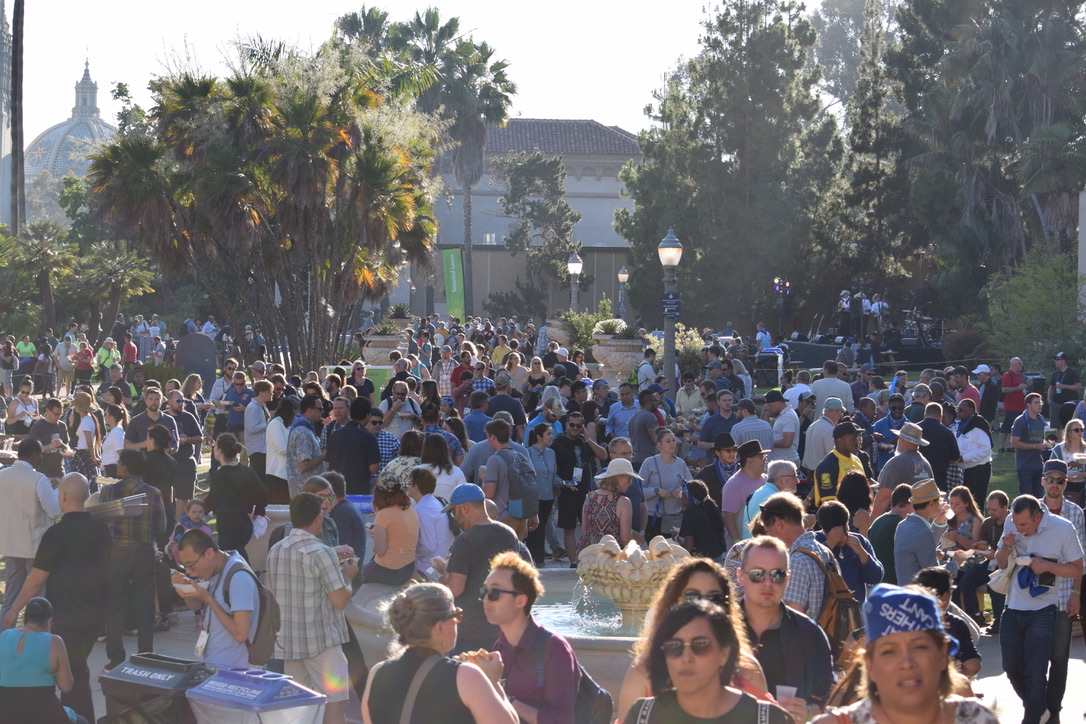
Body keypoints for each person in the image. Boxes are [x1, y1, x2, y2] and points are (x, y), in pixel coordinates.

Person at [0, 474, 108, 722]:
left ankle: (79, 719)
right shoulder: (102, 530)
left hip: (67, 616)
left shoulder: (56, 533)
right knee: (75, 671)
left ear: (64, 496)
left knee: (75, 678)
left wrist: (13, 609)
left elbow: (36, 578)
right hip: (95, 615)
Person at [813, 584, 997, 724]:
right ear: (870, 664)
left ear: (942, 654)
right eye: (889, 652)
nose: (906, 662)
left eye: (919, 647)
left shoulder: (976, 718)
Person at [617, 557, 770, 721]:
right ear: (673, 602)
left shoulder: (748, 670)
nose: (703, 606)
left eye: (714, 599)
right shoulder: (644, 671)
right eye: (692, 597)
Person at [362, 582, 518, 724]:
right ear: (440, 628)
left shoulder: (377, 673)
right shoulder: (466, 675)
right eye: (456, 615)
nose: (458, 622)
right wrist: (493, 681)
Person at [267, 492, 358, 724]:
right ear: (318, 518)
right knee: (337, 703)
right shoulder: (321, 552)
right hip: (321, 643)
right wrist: (349, 576)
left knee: (300, 708)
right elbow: (340, 600)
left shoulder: (276, 549)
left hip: (289, 641)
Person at [624, 599, 791, 723]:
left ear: (724, 654)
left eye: (701, 645)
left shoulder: (768, 719)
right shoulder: (642, 716)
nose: (686, 657)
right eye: (674, 646)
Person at [469, 551, 582, 723]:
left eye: (494, 592)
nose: (486, 599)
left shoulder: (554, 648)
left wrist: (496, 687)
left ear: (520, 601)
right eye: (484, 591)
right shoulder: (499, 647)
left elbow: (562, 720)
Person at [739, 536, 835, 721]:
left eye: (777, 574)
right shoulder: (719, 628)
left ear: (788, 579)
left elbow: (829, 693)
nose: (767, 582)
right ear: (741, 577)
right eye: (757, 574)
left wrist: (810, 712)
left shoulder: (808, 632)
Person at [433, 484, 524, 654]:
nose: (453, 517)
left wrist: (444, 573)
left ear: (465, 508)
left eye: (454, 512)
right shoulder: (509, 533)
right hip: (502, 626)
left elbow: (455, 589)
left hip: (470, 630)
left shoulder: (464, 541)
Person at [101, 449, 166, 671]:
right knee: (145, 604)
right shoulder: (153, 493)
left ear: (125, 467)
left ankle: (115, 657)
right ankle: (145, 655)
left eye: (119, 463)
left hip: (115, 552)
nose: (117, 466)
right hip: (144, 551)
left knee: (114, 604)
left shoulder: (109, 491)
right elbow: (161, 527)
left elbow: (101, 523)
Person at [171, 529, 261, 668]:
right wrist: (184, 589)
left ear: (209, 553)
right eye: (184, 566)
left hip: (231, 666)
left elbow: (240, 634)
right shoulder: (214, 568)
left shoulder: (239, 578)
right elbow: (196, 606)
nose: (188, 571)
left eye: (191, 564)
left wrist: (208, 599)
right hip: (210, 660)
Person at [0, 439, 60, 626]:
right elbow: (54, 510)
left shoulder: (3, 476)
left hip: (10, 544)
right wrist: (56, 490)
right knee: (37, 597)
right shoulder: (38, 479)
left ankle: (3, 636)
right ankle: (36, 637)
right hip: (35, 546)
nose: (41, 458)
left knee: (11, 596)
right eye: (41, 454)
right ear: (34, 455)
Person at [0, 597, 86, 724]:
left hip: (6, 714)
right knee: (82, 721)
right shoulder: (55, 642)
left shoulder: (4, 636)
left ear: (24, 618)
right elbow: (66, 687)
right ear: (49, 621)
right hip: (43, 715)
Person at [759, 492, 838, 619]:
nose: (768, 536)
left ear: (779, 523)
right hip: (829, 635)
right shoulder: (825, 552)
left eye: (768, 530)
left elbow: (793, 618)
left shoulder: (797, 561)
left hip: (806, 637)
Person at [203, 433, 267, 559]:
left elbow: (212, 500)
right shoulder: (247, 470)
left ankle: (247, 578)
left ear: (220, 451)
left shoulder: (219, 475)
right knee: (239, 556)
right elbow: (263, 493)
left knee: (231, 559)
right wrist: (259, 511)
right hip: (245, 524)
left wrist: (200, 511)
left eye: (215, 446)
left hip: (228, 525)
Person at [814, 500, 883, 603]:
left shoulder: (859, 541)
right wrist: (829, 545)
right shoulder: (814, 541)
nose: (842, 536)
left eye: (844, 529)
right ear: (824, 530)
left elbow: (876, 577)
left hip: (854, 610)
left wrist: (861, 553)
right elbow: (811, 572)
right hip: (825, 612)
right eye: (836, 532)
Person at [362, 476, 420, 586]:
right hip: (408, 568)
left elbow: (380, 550)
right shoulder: (409, 508)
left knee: (352, 575)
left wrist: (376, 538)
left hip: (389, 571)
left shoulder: (384, 514)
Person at [894, 479, 951, 586]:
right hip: (919, 595)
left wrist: (938, 523)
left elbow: (921, 547)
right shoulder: (923, 531)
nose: (940, 505)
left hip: (905, 590)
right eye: (938, 501)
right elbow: (934, 575)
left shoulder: (902, 525)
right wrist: (956, 563)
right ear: (931, 503)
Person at [642, 428, 694, 540]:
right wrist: (656, 491)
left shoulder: (681, 463)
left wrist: (681, 489)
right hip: (653, 517)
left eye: (674, 440)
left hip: (675, 516)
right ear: (659, 444)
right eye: (668, 441)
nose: (672, 444)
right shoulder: (649, 462)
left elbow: (691, 486)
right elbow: (640, 490)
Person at [579, 458, 636, 551]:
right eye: (629, 478)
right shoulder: (623, 502)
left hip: (587, 555)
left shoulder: (589, 497)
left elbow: (583, 531)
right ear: (619, 478)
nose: (631, 482)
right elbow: (625, 539)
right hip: (610, 558)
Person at [868, 483, 914, 585]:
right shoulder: (902, 525)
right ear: (911, 505)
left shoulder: (877, 521)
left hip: (877, 583)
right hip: (895, 583)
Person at [812, 421, 865, 508]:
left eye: (857, 438)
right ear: (839, 440)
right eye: (853, 438)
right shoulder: (827, 466)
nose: (857, 442)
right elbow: (829, 503)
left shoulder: (857, 460)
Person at [287, 393, 327, 496]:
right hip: (306, 493)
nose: (322, 412)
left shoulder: (304, 428)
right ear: (309, 410)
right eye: (320, 409)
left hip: (307, 491)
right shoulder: (303, 433)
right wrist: (324, 455)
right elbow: (304, 465)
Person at [679, 480, 726, 560]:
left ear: (689, 498)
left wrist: (676, 538)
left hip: (702, 563)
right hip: (718, 560)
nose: (680, 496)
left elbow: (688, 548)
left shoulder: (690, 513)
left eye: (683, 494)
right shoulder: (710, 509)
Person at [265, 396, 295, 505]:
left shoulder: (285, 426)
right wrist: (299, 451)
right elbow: (282, 449)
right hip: (276, 475)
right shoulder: (275, 424)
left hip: (286, 476)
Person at [695, 432, 739, 507]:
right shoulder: (706, 474)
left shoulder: (742, 470)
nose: (732, 453)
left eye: (734, 450)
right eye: (728, 450)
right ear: (717, 452)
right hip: (717, 515)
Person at [999, 357, 1030, 452]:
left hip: (1020, 407)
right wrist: (1018, 388)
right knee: (1006, 427)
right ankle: (1001, 447)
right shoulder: (1007, 376)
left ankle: (1010, 446)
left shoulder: (1019, 376)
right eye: (1020, 364)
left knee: (1014, 428)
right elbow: (1004, 389)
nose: (1021, 365)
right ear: (1015, 365)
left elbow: (1021, 388)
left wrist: (1026, 385)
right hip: (1011, 407)